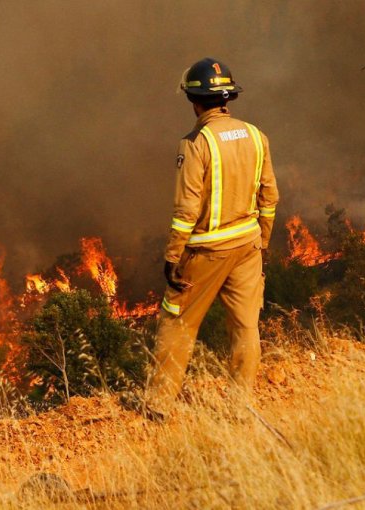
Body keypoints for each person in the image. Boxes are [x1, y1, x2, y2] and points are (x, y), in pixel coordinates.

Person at [143, 58, 278, 418]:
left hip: (206, 251)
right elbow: (270, 198)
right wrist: (261, 243)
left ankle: (158, 405)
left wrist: (173, 256)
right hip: (247, 247)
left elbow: (186, 209)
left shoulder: (195, 144)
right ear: (227, 97)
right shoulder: (256, 135)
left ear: (194, 100)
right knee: (246, 326)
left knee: (177, 321)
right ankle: (239, 404)